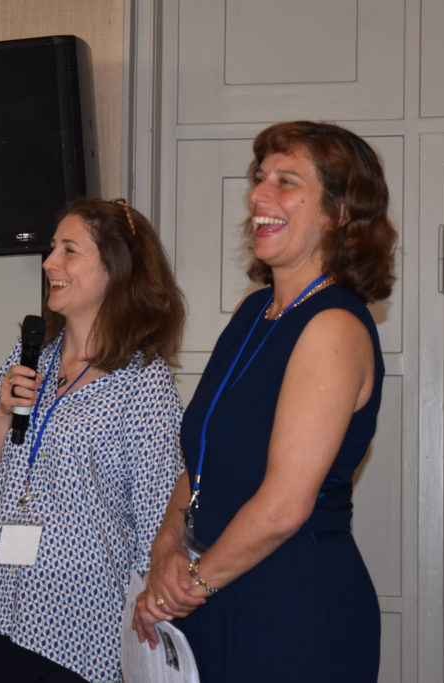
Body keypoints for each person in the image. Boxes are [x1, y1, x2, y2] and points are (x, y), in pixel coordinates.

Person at [132, 121, 397, 682]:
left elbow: (284, 507)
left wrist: (186, 587)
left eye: (286, 181)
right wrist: (166, 548)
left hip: (292, 606)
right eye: (260, 177)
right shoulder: (253, 312)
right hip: (216, 586)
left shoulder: (334, 327)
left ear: (340, 212)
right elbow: (202, 461)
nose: (258, 194)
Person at [0, 197, 187, 682]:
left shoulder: (143, 382)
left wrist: (151, 615)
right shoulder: (31, 356)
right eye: (51, 248)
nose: (49, 263)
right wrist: (3, 412)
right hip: (0, 608)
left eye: (69, 250)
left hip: (80, 628)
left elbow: (157, 519)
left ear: (114, 270)